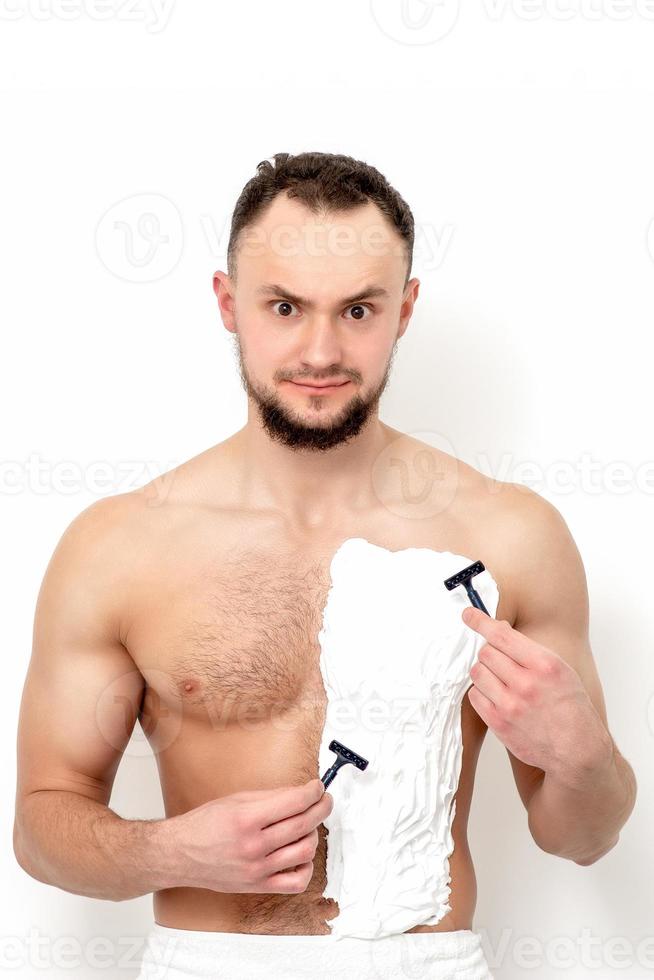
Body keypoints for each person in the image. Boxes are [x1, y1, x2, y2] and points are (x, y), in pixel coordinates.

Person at [13, 151, 636, 980]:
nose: (320, 350)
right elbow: (41, 829)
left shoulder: (511, 536)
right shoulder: (119, 546)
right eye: (285, 307)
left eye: (358, 310)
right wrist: (169, 851)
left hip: (428, 965)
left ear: (404, 310)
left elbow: (581, 838)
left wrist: (586, 759)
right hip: (208, 965)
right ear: (228, 304)